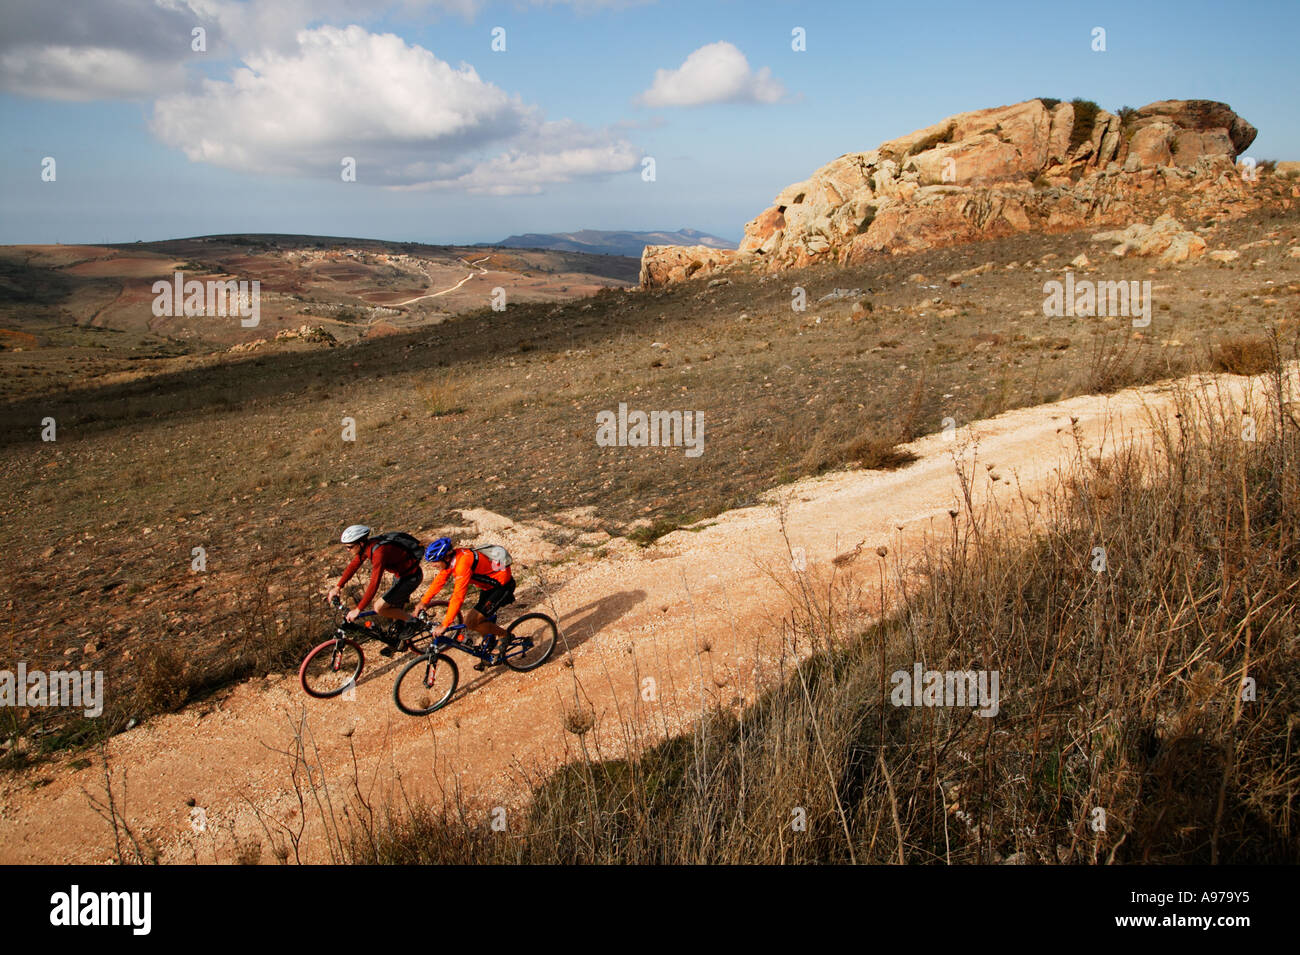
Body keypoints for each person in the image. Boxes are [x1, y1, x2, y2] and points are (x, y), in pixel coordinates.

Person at [414, 537, 515, 669]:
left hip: (502, 587)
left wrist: (445, 624)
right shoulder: (454, 558)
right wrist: (423, 601)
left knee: (471, 622)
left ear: (445, 557)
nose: (432, 565)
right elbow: (440, 580)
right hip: (489, 587)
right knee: (481, 620)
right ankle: (489, 653)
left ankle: (505, 636)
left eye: (434, 561)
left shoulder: (462, 564)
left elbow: (458, 597)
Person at [326, 524, 424, 657]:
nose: (347, 550)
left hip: (411, 577)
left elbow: (374, 583)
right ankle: (398, 643)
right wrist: (338, 586)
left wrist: (358, 609)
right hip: (401, 577)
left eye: (349, 547)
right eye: (346, 547)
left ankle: (414, 622)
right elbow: (354, 565)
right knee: (394, 612)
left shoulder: (379, 552)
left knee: (380, 608)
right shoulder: (367, 547)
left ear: (360, 543)